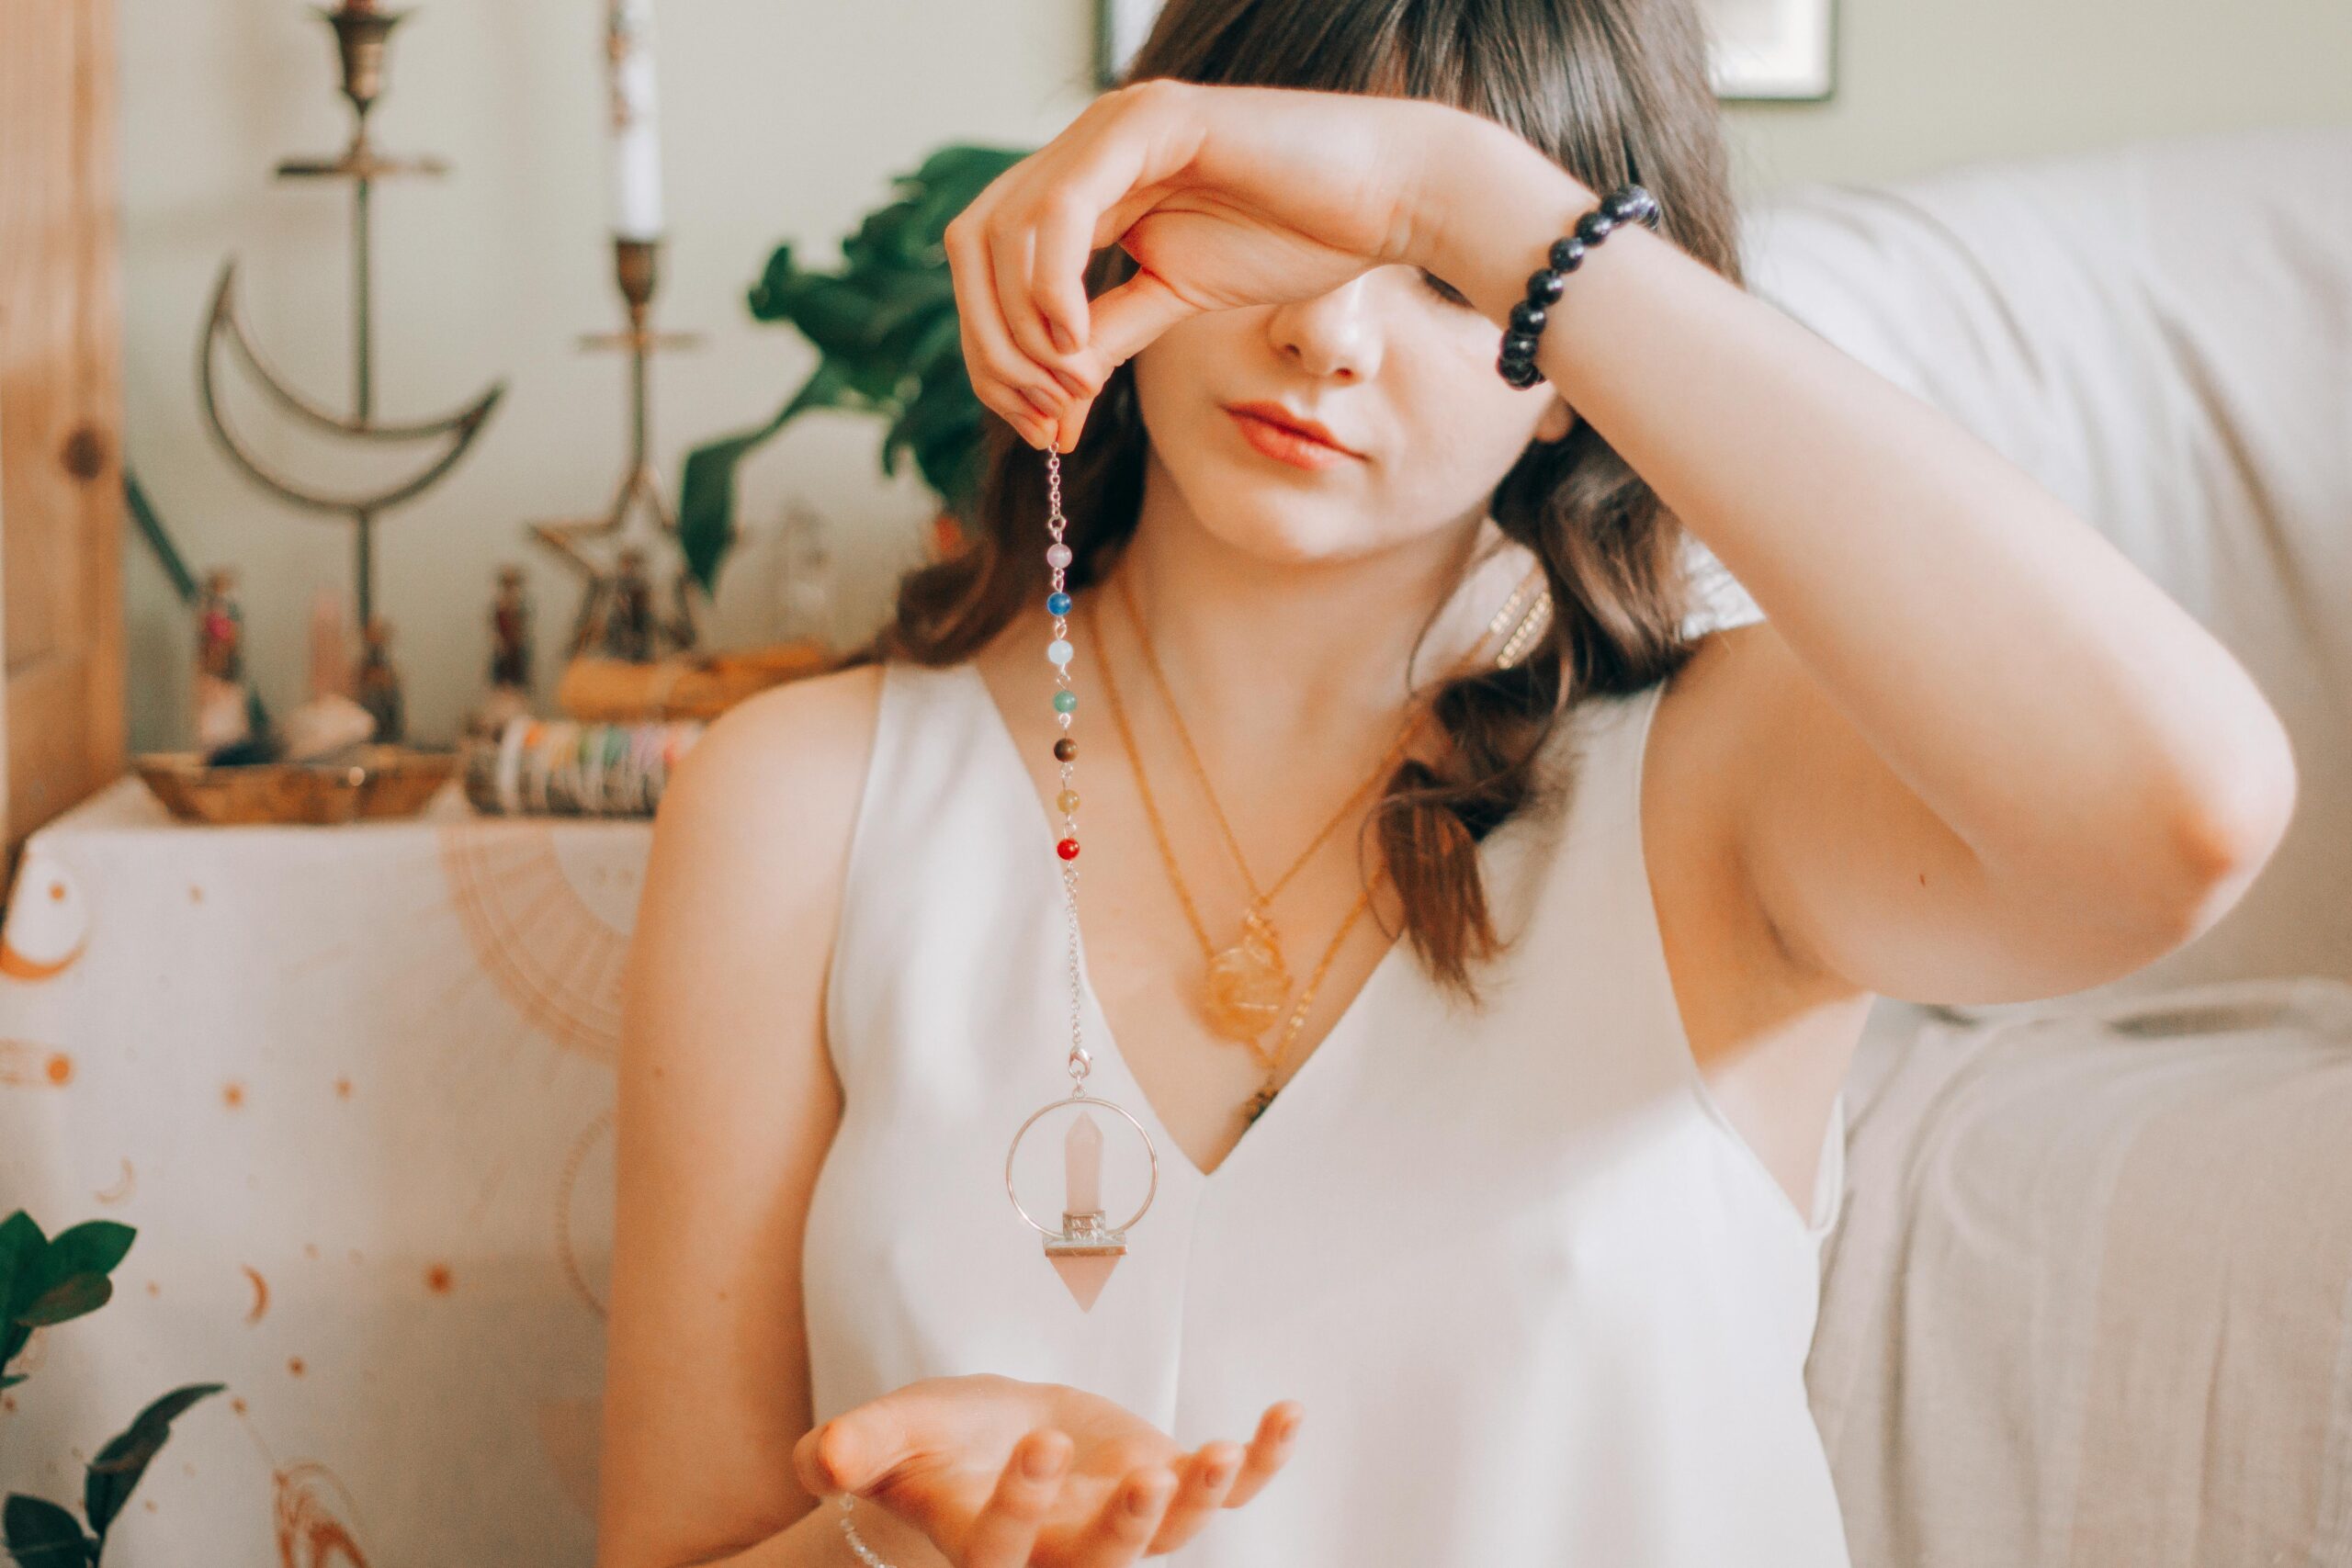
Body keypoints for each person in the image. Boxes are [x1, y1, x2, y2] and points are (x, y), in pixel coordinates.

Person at [594, 4, 2298, 1566]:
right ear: (1134, 212)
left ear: (1571, 377)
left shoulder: (1721, 789)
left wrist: (1468, 195)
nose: (1331, 333)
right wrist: (894, 1548)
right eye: (1295, 225)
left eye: (1443, 283)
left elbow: (2182, 817)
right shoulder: (800, 803)